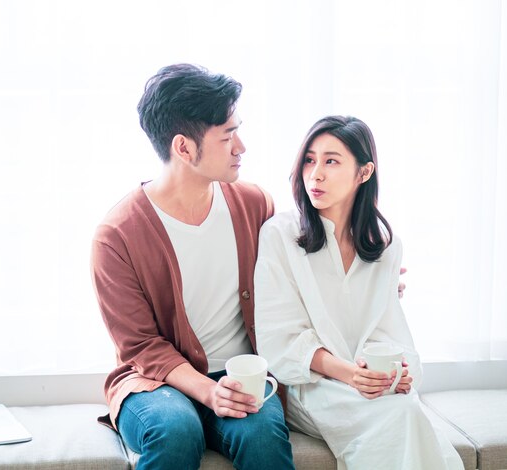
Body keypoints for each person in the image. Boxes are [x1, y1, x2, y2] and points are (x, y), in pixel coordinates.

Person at [91, 64, 295, 470]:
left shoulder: (254, 206)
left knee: (263, 440)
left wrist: (366, 277)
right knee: (175, 431)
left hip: (240, 374)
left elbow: (300, 266)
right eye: (227, 136)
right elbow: (141, 347)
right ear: (184, 148)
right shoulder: (116, 237)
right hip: (154, 383)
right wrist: (206, 391)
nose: (241, 146)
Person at [253, 116, 464, 470]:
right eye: (309, 159)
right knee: (402, 416)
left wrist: (398, 373)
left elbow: (390, 333)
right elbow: (280, 341)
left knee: (404, 406)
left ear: (364, 173)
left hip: (367, 387)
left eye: (331, 161)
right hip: (312, 387)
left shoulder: (385, 246)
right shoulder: (280, 234)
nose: (315, 173)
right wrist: (351, 375)